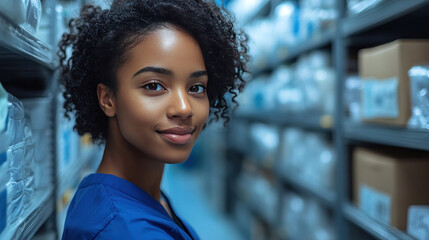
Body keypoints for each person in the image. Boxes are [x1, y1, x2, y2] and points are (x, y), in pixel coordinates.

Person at [58, 0, 248, 239]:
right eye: (154, 85)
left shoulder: (128, 193)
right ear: (108, 99)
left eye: (197, 88)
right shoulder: (126, 231)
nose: (184, 107)